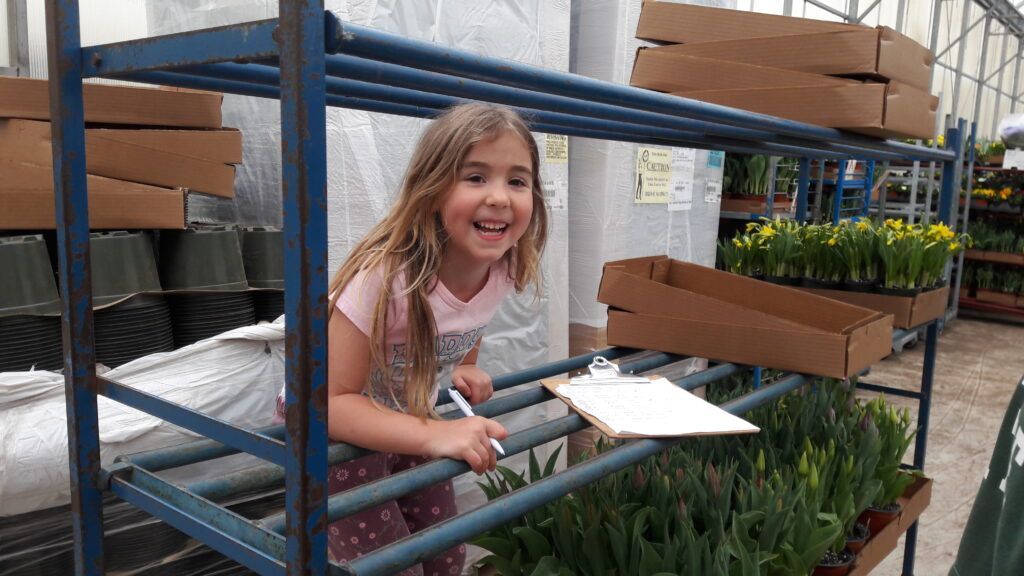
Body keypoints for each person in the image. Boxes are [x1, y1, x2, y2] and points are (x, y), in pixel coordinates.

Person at [277, 103, 548, 575]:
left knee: (445, 552)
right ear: (432, 188)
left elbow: (466, 319)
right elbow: (327, 402)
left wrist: (465, 364)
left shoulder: (501, 267)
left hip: (408, 413)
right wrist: (437, 433)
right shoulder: (386, 277)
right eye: (476, 177)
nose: (501, 197)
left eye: (517, 180)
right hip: (335, 429)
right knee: (389, 563)